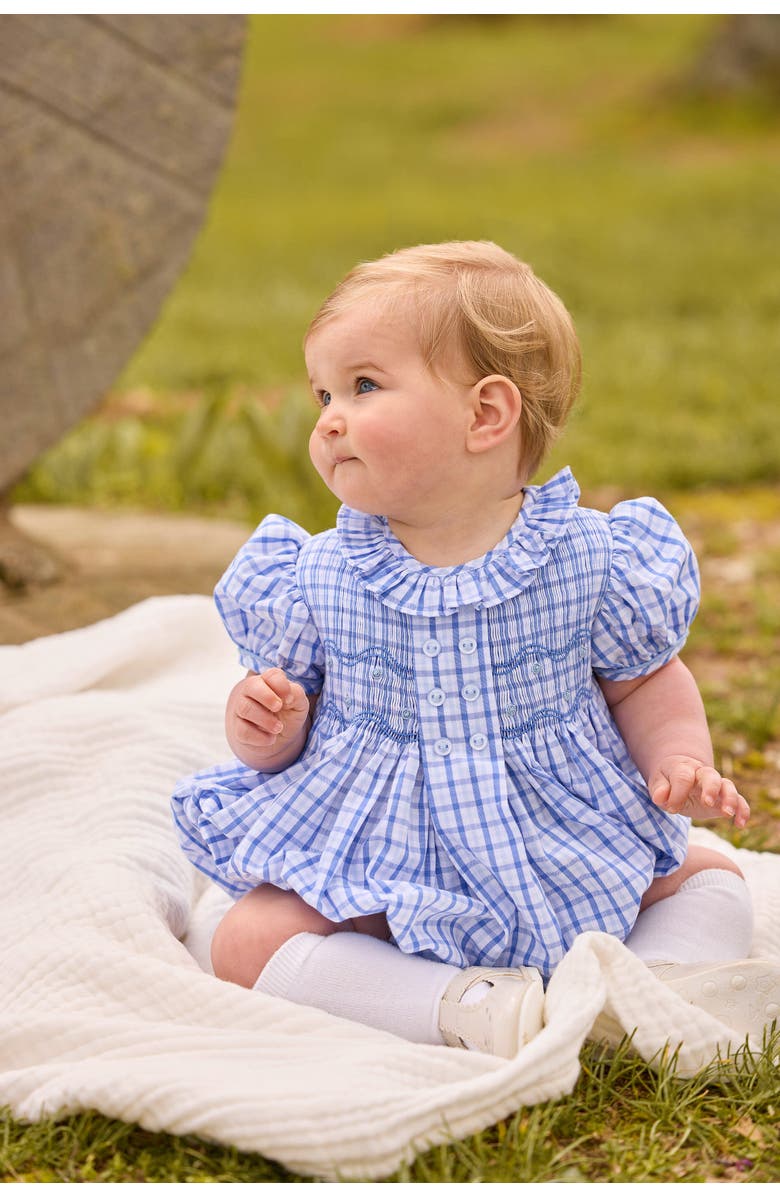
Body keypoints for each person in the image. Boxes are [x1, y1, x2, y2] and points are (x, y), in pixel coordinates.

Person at [172, 240, 776, 1058]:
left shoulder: (590, 558)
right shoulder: (316, 573)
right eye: (323, 393)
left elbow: (644, 682)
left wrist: (678, 760)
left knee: (708, 877)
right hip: (387, 850)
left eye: (363, 386)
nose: (328, 419)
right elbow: (287, 721)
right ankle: (470, 1009)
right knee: (245, 938)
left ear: (486, 415)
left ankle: (647, 988)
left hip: (561, 831)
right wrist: (267, 726)